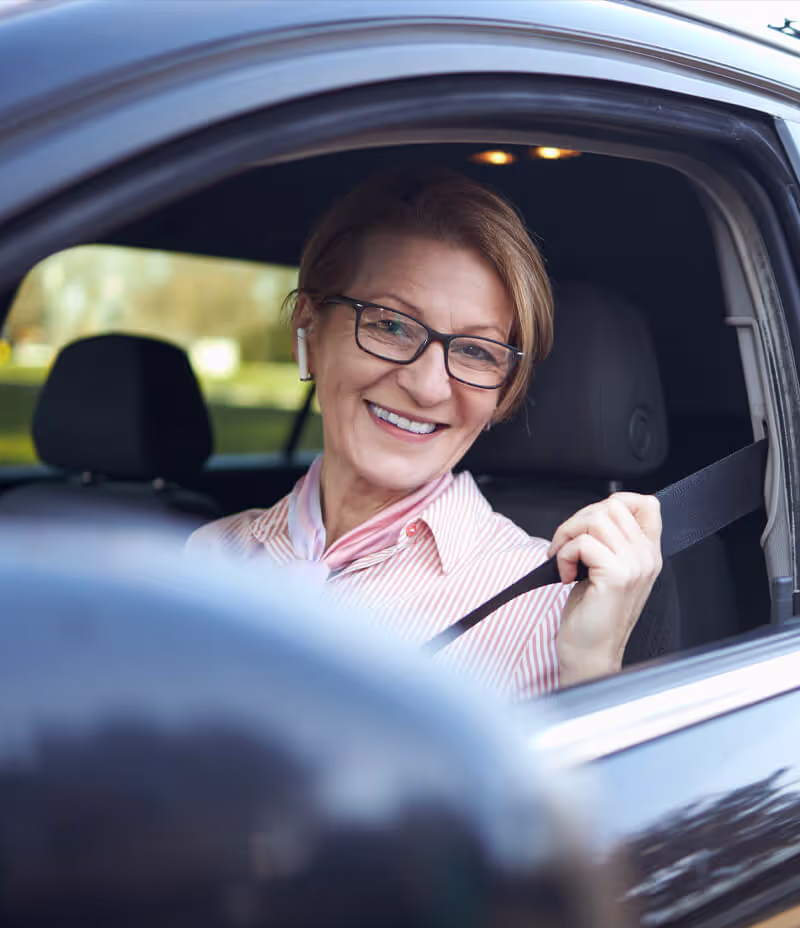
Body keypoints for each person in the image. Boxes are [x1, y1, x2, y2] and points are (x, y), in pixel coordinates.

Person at [188, 169, 662, 698]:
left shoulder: (549, 603)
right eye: (390, 324)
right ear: (310, 329)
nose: (429, 386)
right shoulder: (209, 557)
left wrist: (592, 668)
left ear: (502, 392)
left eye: (476, 351)